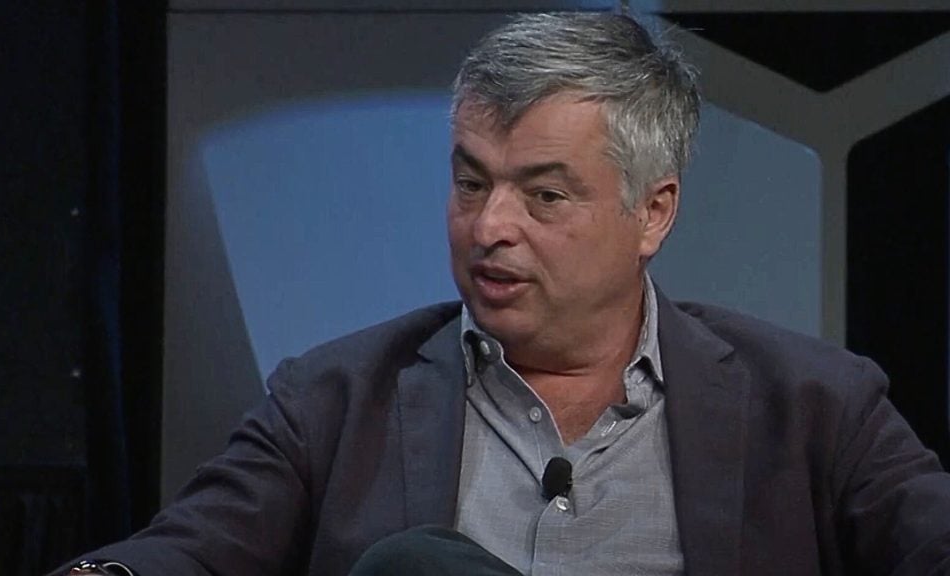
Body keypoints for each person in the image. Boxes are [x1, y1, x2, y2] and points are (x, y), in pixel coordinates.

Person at [54, 11, 950, 576]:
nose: (489, 228)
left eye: (545, 195)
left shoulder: (816, 406)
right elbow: (189, 552)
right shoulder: (334, 402)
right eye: (472, 182)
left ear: (653, 212)